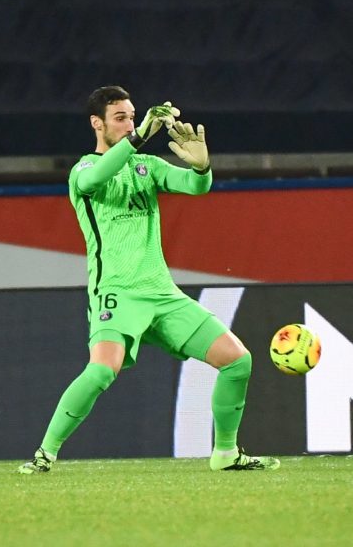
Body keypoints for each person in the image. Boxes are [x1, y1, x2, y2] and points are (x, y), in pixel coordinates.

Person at [18, 85, 279, 473]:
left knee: (238, 361)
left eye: (132, 116)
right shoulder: (84, 171)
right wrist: (139, 137)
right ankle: (45, 454)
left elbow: (195, 188)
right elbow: (95, 180)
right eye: (120, 118)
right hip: (117, 293)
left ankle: (225, 453)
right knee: (102, 371)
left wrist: (202, 167)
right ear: (97, 124)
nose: (129, 124)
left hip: (161, 294)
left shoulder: (146, 167)